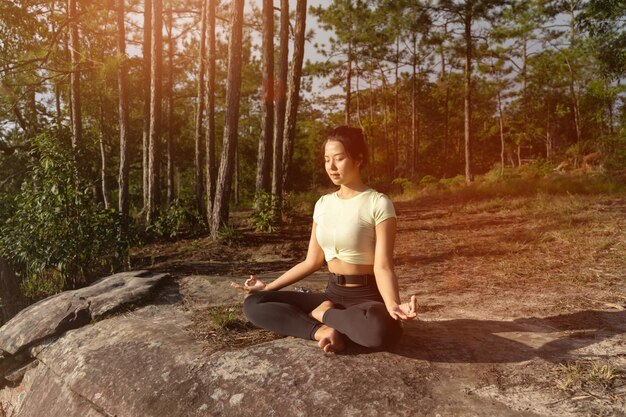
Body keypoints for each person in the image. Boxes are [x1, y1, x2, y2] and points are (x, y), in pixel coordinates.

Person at [231, 126, 417, 353]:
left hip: (366, 297)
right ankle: (324, 331)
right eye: (327, 159)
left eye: (339, 158)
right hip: (332, 293)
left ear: (358, 159)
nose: (331, 166)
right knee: (254, 304)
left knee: (384, 331)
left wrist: (392, 305)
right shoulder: (323, 204)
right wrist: (268, 287)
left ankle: (323, 315)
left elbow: (384, 266)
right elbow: (312, 261)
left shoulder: (378, 203)